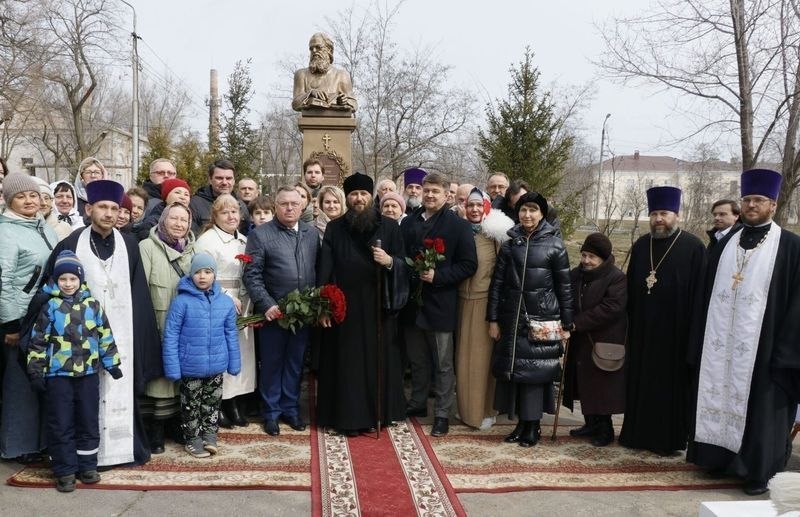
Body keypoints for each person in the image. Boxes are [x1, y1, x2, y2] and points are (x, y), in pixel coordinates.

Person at [688, 169, 800, 496]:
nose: (751, 205)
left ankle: (757, 472)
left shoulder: (791, 247)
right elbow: (704, 294)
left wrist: (787, 350)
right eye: (747, 199)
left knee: (762, 409)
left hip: (765, 347)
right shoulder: (726, 244)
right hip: (721, 343)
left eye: (758, 200)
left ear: (773, 205)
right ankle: (717, 458)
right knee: (718, 394)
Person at [44, 179, 163, 467]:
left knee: (117, 387)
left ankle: (121, 451)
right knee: (82, 399)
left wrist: (141, 344)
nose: (109, 214)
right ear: (89, 208)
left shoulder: (130, 245)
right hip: (79, 341)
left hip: (120, 335)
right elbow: (52, 292)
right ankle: (84, 458)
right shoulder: (71, 243)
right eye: (103, 207)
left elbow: (140, 297)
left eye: (114, 208)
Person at [316, 173, 407, 436]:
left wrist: (389, 261)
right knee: (347, 363)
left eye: (363, 194)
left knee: (379, 361)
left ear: (372, 197)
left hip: (379, 305)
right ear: (348, 197)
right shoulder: (335, 228)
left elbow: (403, 264)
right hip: (344, 306)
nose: (358, 198)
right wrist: (324, 305)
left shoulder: (389, 227)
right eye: (354, 194)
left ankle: (380, 414)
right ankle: (348, 418)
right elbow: (325, 269)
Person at [618, 186, 706, 456]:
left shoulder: (693, 247)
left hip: (676, 333)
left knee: (669, 388)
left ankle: (668, 440)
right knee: (640, 381)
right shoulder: (642, 245)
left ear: (676, 215)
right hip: (643, 330)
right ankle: (635, 434)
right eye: (654, 213)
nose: (658, 219)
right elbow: (632, 286)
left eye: (664, 213)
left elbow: (700, 294)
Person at [26, 250, 122, 492]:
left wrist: (112, 363)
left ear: (81, 279)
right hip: (58, 376)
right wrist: (36, 372)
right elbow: (37, 342)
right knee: (61, 422)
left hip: (88, 375)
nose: (68, 284)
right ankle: (65, 469)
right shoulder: (50, 308)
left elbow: (105, 337)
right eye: (62, 279)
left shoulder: (93, 306)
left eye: (72, 279)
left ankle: (87, 464)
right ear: (56, 281)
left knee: (88, 419)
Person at [487, 191, 572, 448]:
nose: (527, 214)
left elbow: (565, 287)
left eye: (533, 210)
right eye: (523, 210)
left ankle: (533, 427)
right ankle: (520, 425)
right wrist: (492, 319)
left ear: (542, 214)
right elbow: (497, 283)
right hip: (512, 317)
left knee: (535, 374)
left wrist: (567, 324)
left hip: (542, 318)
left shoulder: (555, 245)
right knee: (517, 372)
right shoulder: (510, 243)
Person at [401, 173, 478, 437]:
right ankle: (418, 402)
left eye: (436, 191)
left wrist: (438, 276)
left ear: (447, 195)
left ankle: (442, 412)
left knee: (443, 363)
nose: (430, 195)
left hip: (440, 303)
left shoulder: (458, 226)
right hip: (412, 304)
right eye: (427, 190)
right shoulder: (409, 222)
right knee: (418, 359)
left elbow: (469, 264)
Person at [243, 186, 319, 436]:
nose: (289, 208)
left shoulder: (310, 233)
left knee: (295, 363)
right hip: (273, 312)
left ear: (302, 206)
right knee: (273, 363)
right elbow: (252, 275)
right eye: (284, 204)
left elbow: (317, 269)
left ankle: (291, 409)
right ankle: (271, 413)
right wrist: (267, 304)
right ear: (275, 206)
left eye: (294, 204)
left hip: (302, 313)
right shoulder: (261, 235)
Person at [0, 173, 59, 462]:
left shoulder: (42, 227)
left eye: (33, 195)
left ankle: (42, 441)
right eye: (21, 196)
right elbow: (4, 279)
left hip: (43, 314)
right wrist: (10, 325)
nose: (29, 201)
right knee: (20, 383)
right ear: (9, 200)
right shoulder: (6, 231)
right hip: (19, 318)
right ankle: (19, 445)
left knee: (40, 378)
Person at [162, 252, 241, 459]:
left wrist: (234, 362)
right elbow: (170, 334)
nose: (203, 276)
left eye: (207, 272)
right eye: (198, 272)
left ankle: (209, 435)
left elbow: (231, 334)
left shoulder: (224, 302)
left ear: (214, 275)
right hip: (191, 366)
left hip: (216, 366)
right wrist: (173, 367)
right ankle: (192, 439)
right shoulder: (182, 302)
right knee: (191, 405)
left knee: (212, 403)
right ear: (191, 275)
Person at [138, 203, 196, 453]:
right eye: (174, 218)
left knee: (180, 378)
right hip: (158, 321)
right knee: (159, 379)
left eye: (184, 219)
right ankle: (155, 430)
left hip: (187, 325)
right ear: (163, 219)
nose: (179, 224)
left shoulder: (194, 251)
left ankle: (175, 424)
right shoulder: (147, 247)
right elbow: (141, 290)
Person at [194, 195, 255, 429]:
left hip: (244, 302)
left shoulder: (244, 240)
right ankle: (218, 403)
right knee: (222, 353)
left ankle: (235, 402)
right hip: (219, 300)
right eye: (224, 212)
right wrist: (227, 298)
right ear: (215, 216)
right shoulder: (207, 241)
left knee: (241, 355)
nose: (231, 216)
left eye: (234, 212)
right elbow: (204, 275)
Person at [456, 188, 513, 430]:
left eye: (480, 206)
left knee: (481, 362)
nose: (475, 210)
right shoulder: (461, 232)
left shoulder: (495, 236)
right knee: (462, 361)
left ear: (487, 208)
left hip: (484, 302)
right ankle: (466, 411)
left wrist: (496, 314)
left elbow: (503, 275)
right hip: (461, 300)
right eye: (471, 206)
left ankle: (485, 411)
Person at [562, 233, 627, 447]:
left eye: (591, 257)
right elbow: (566, 296)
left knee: (602, 386)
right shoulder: (577, 274)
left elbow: (611, 308)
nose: (586, 261)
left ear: (603, 258)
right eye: (584, 255)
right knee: (583, 383)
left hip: (603, 340)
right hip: (580, 338)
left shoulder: (616, 278)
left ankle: (605, 428)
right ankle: (589, 423)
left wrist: (577, 322)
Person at [292, 32, 358, 112]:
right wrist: (310, 93)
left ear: (329, 50)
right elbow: (295, 103)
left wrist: (344, 101)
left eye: (318, 47)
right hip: (310, 119)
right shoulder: (301, 74)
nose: (314, 51)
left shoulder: (342, 75)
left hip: (335, 120)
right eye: (311, 48)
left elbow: (354, 104)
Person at [189, 159, 250, 234]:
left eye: (228, 178)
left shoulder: (241, 205)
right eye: (219, 178)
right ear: (210, 180)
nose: (224, 182)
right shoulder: (195, 204)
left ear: (234, 181)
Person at [31, 176, 71, 241]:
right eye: (39, 199)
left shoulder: (65, 228)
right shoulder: (22, 229)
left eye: (46, 198)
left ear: (51, 201)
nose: (44, 203)